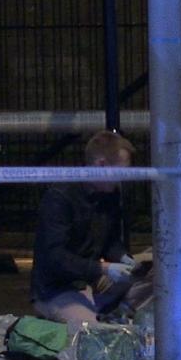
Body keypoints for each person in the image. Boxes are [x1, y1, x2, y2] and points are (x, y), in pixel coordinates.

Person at [31, 130, 137, 325]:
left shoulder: (109, 194)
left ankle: (105, 311)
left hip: (91, 280)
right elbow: (55, 258)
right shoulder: (61, 197)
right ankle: (92, 314)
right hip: (57, 288)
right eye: (121, 172)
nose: (123, 180)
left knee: (152, 280)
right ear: (101, 165)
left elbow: (109, 241)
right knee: (92, 333)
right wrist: (103, 267)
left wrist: (123, 257)